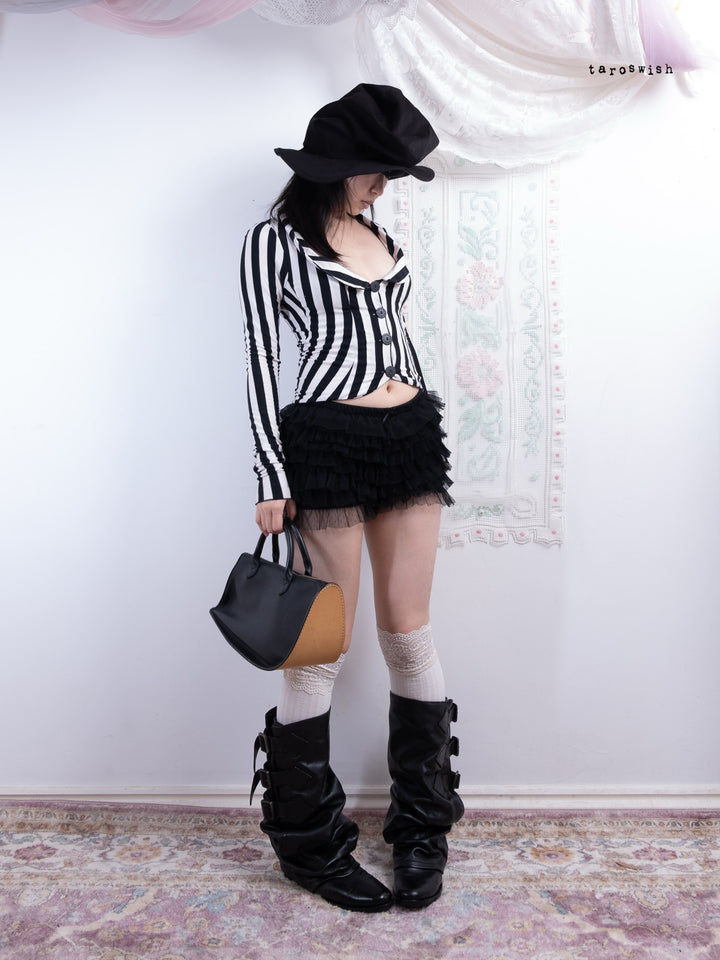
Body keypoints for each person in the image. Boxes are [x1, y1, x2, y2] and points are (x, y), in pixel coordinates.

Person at [240, 84, 463, 913]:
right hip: (326, 441)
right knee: (321, 642)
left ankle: (422, 827)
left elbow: (397, 336)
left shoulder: (381, 236)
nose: (383, 186)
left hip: (409, 436)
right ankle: (306, 842)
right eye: (377, 171)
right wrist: (271, 475)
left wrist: (422, 412)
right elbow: (262, 358)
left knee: (409, 630)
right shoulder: (273, 241)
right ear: (336, 163)